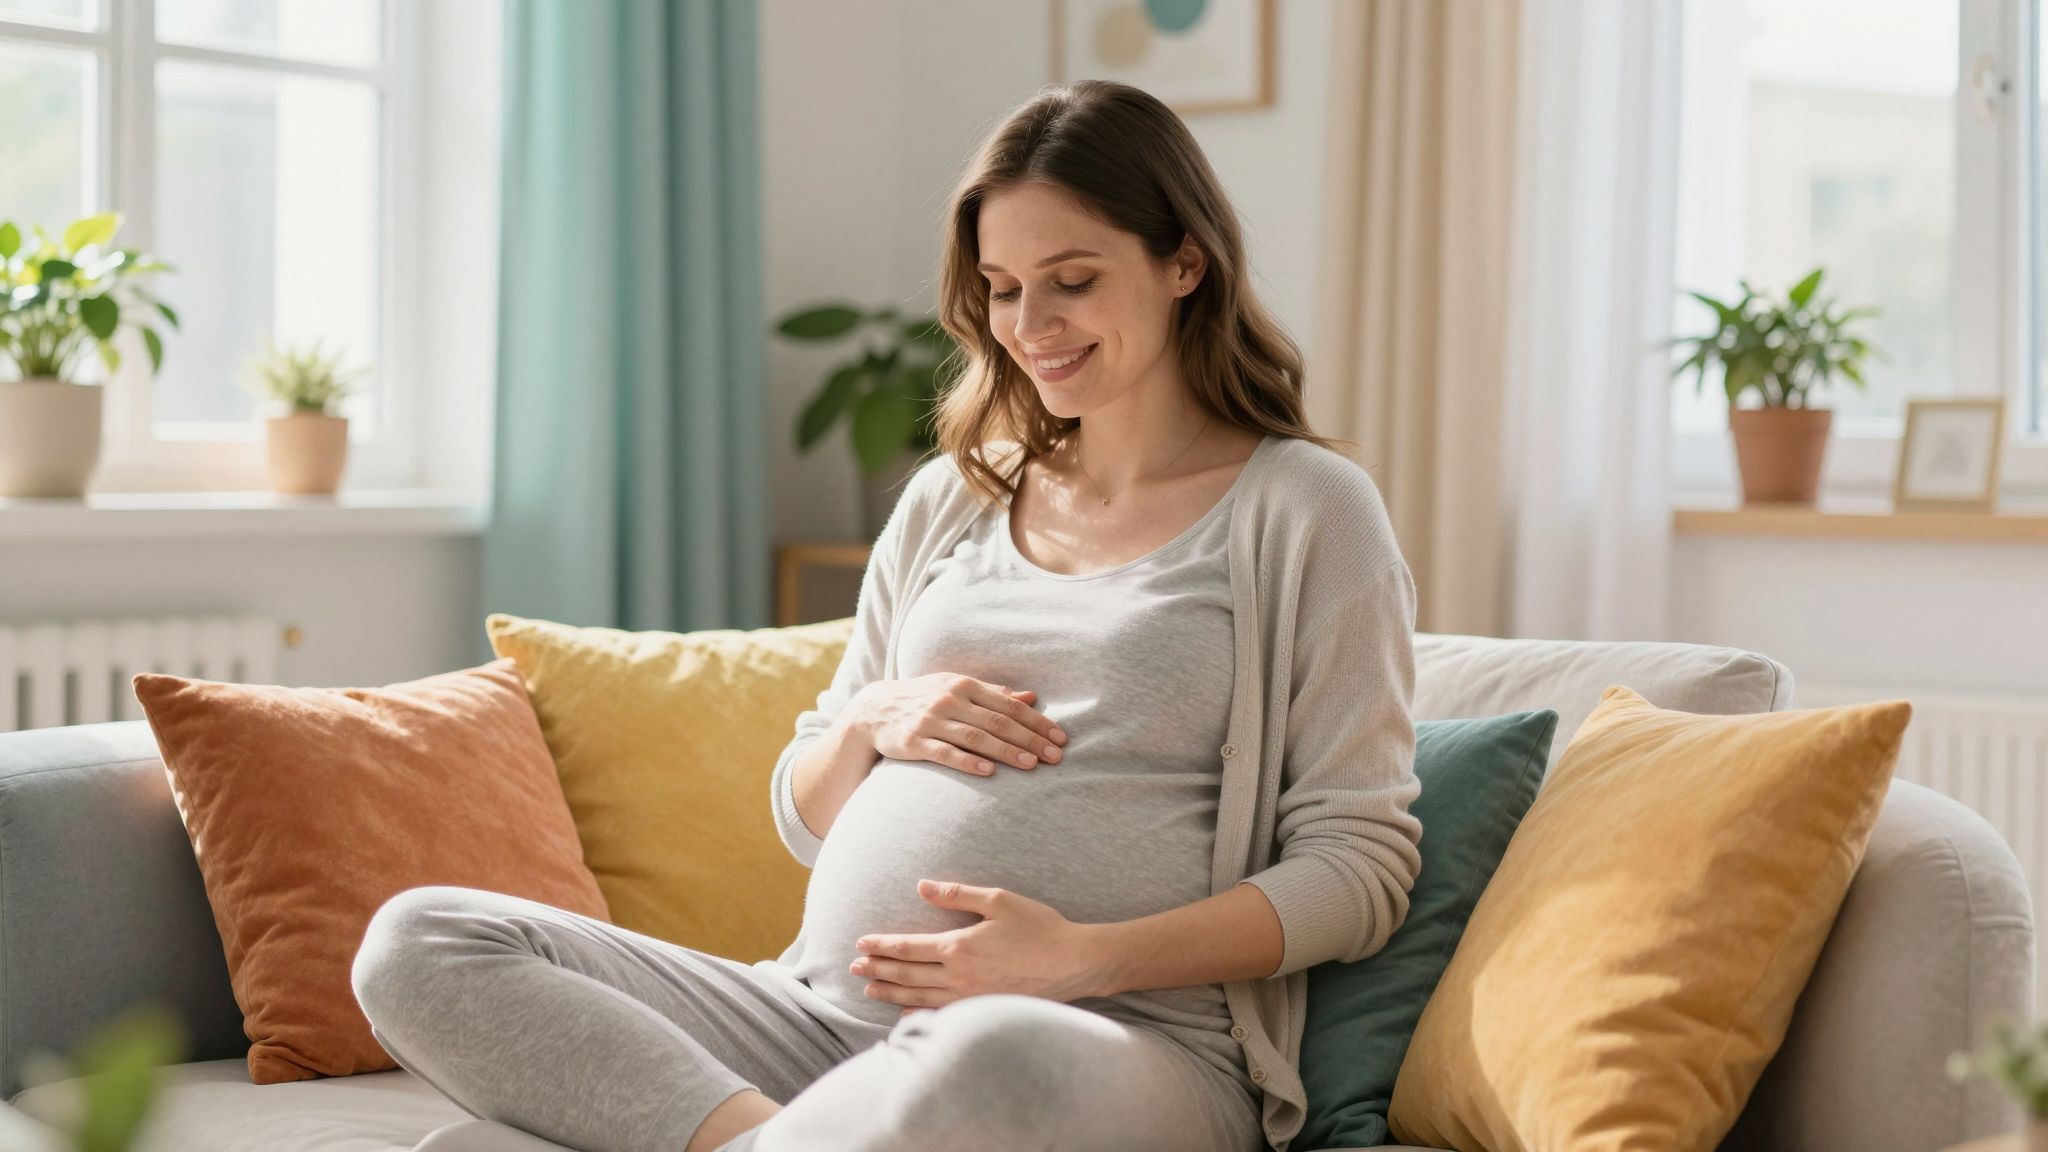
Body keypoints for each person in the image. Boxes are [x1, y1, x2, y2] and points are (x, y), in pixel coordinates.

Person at [351, 79, 1423, 1152]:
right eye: (1002, 289)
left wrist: (1081, 957)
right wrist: (869, 721)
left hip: (1111, 1041)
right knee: (420, 941)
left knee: (989, 1056)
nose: (1030, 326)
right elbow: (803, 817)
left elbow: (1358, 870)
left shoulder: (1305, 509)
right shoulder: (955, 494)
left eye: (1072, 281)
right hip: (814, 1022)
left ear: (1184, 263)